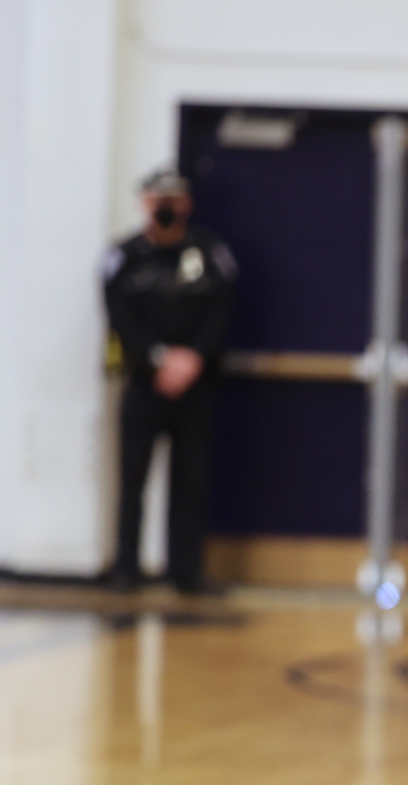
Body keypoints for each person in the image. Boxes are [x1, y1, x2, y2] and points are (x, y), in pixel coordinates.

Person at [102, 166, 236, 594]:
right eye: (159, 200)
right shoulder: (124, 256)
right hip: (145, 382)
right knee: (133, 478)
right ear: (145, 203)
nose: (166, 207)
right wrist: (158, 358)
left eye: (174, 200)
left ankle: (186, 571)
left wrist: (192, 358)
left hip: (195, 384)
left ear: (187, 204)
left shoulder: (209, 253)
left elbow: (221, 309)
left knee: (191, 480)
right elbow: (119, 316)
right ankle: (126, 567)